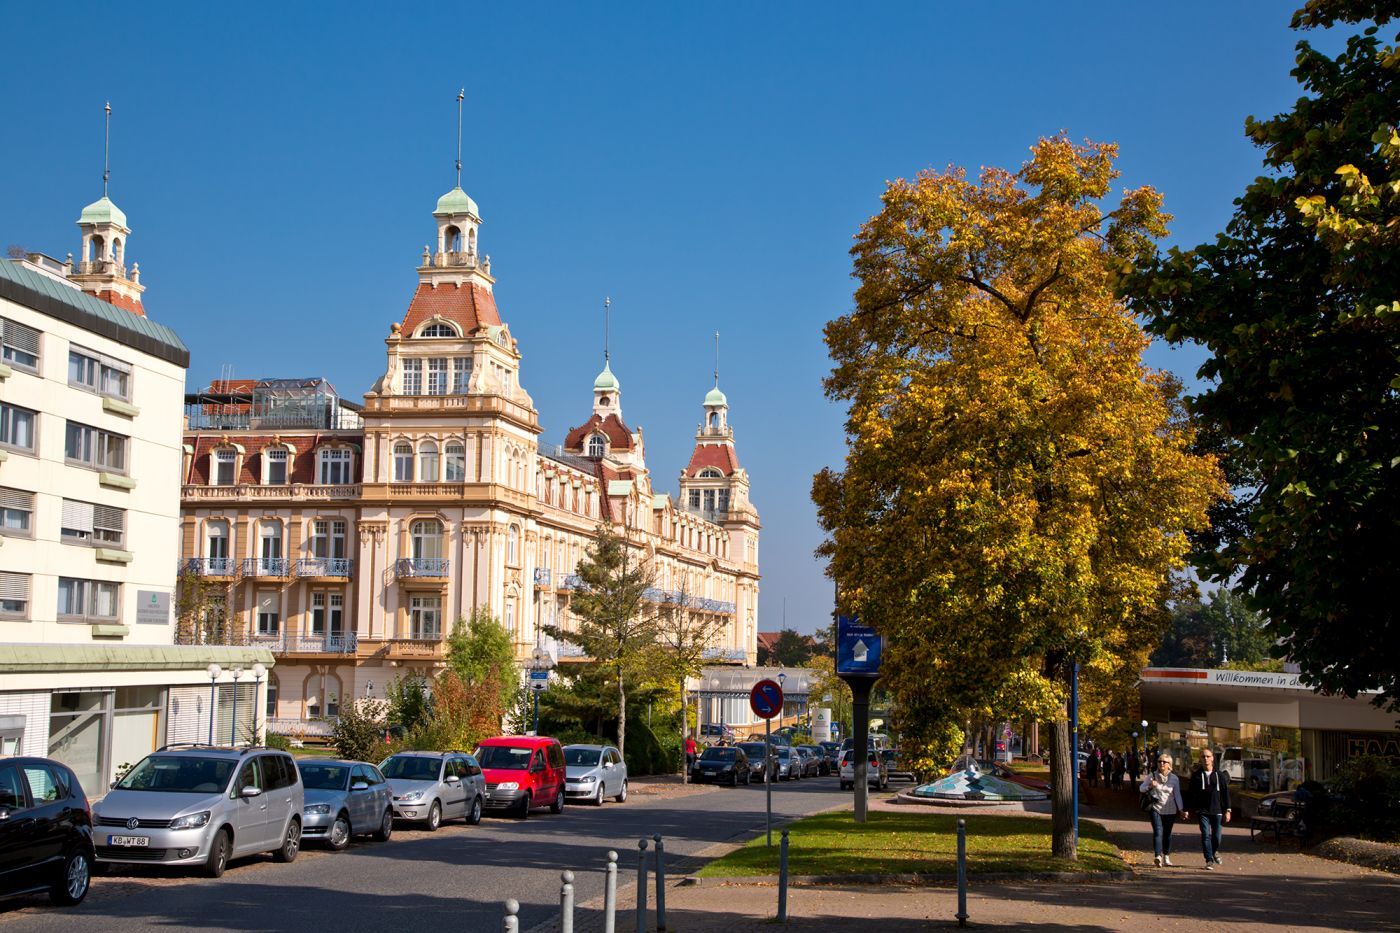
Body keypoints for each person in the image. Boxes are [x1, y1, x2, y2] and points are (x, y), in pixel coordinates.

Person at [1187, 747, 1231, 869]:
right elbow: (1190, 793)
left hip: (1217, 810)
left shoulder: (1219, 776)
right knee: (1205, 834)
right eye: (1203, 757)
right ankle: (1209, 859)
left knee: (1217, 836)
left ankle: (1214, 851)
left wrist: (1227, 809)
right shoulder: (1196, 776)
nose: (1205, 759)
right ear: (1200, 759)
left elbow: (1225, 793)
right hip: (1202, 811)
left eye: (1208, 756)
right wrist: (1186, 809)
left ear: (1212, 758)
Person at [1141, 752, 1187, 867]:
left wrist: (1181, 810)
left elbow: (1177, 795)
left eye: (1164, 762)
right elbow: (1141, 788)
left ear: (1169, 765)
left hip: (1170, 810)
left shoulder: (1174, 779)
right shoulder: (1152, 776)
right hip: (1156, 808)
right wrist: (1150, 786)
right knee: (1158, 832)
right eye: (1159, 761)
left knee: (1167, 834)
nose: (1161, 763)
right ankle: (1158, 856)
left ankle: (1166, 856)